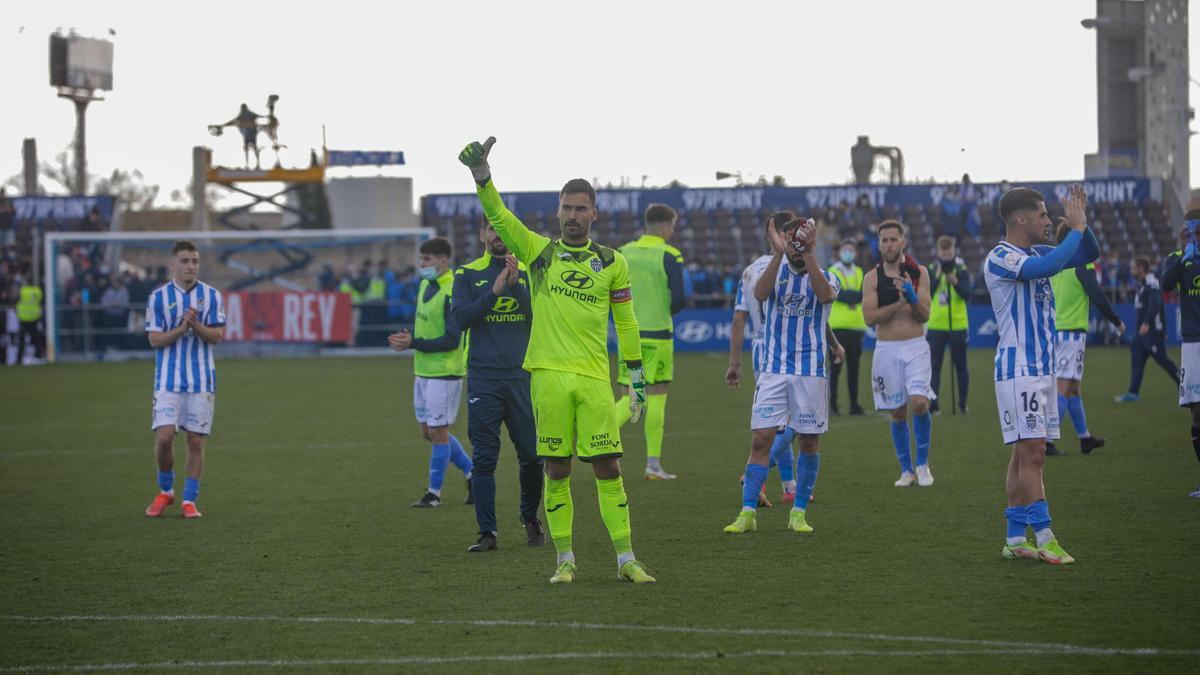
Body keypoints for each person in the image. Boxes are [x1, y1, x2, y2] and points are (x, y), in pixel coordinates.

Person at [459, 136, 655, 584]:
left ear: (594, 214)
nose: (572, 216)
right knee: (557, 467)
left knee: (609, 466)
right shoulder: (539, 253)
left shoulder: (612, 262)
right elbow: (500, 219)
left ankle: (626, 559)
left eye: (580, 209)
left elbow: (626, 321)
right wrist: (482, 177)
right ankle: (564, 558)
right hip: (547, 377)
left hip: (593, 379)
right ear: (558, 213)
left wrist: (635, 375)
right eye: (566, 208)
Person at [985, 185, 1099, 564]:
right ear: (1021, 219)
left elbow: (1089, 253)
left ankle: (1016, 537)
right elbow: (1046, 269)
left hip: (1041, 370)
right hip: (1020, 370)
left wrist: (1083, 223)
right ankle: (1046, 536)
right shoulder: (1001, 257)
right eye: (1043, 215)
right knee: (1033, 453)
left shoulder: (1037, 252)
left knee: (1025, 454)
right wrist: (1077, 229)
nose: (1050, 222)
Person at [723, 214, 838, 536]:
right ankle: (747, 512)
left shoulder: (826, 276)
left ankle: (798, 512)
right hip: (773, 369)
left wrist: (809, 253)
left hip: (810, 371)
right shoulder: (774, 275)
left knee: (809, 440)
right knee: (761, 438)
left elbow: (826, 296)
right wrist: (779, 254)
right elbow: (759, 294)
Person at [451, 221, 544, 552]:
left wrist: (516, 286)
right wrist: (495, 291)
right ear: (482, 235)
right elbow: (461, 319)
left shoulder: (532, 272)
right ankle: (487, 533)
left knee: (533, 457)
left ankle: (530, 519)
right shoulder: (467, 274)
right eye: (491, 230)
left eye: (503, 231)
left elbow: (542, 316)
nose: (498, 236)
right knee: (485, 459)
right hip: (484, 379)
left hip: (523, 377)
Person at [388, 238, 474, 508]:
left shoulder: (453, 291)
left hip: (444, 372)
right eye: (421, 259)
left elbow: (451, 339)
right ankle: (474, 473)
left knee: (438, 431)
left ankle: (434, 494)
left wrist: (413, 344)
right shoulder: (426, 284)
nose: (421, 264)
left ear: (443, 261)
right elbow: (429, 327)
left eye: (426, 260)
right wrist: (410, 337)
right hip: (423, 370)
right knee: (429, 432)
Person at [143, 240, 226, 519]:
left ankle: (189, 500)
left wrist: (196, 325)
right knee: (165, 438)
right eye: (185, 261)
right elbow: (154, 340)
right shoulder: (158, 298)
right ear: (173, 264)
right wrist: (180, 328)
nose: (191, 266)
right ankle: (166, 491)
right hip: (167, 380)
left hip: (201, 381)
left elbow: (216, 336)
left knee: (195, 442)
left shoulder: (212, 296)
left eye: (194, 261)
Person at [614, 203, 687, 480]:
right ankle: (653, 465)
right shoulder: (670, 254)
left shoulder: (623, 252)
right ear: (668, 225)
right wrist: (659, 311)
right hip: (658, 336)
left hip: (629, 335)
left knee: (632, 397)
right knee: (655, 397)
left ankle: (593, 439)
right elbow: (679, 298)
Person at [862, 221, 935, 487]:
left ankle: (923, 464)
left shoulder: (920, 273)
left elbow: (925, 314)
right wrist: (899, 302)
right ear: (879, 244)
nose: (889, 244)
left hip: (916, 345)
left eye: (894, 239)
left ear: (903, 242)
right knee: (897, 411)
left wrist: (912, 298)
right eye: (884, 240)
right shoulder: (872, 278)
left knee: (919, 403)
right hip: (887, 349)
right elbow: (869, 318)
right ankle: (907, 470)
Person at [1045, 222, 1124, 455]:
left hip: (1060, 330)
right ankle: (1047, 441)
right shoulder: (1081, 263)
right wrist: (1116, 320)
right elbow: (1097, 295)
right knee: (1063, 388)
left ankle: (1084, 438)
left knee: (1074, 389)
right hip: (1071, 333)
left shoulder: (1056, 265)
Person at [1159, 211, 1200, 497]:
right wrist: (1185, 251)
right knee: (1197, 413)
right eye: (1188, 230)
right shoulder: (1177, 258)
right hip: (1193, 344)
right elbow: (1165, 284)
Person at [1114, 257, 1180, 402]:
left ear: (1141, 269)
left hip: (1153, 332)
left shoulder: (1152, 283)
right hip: (1142, 334)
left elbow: (1155, 304)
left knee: (1163, 361)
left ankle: (1183, 384)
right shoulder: (1141, 284)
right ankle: (1133, 393)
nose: (1132, 270)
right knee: (1136, 359)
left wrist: (1146, 323)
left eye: (1134, 267)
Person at [926, 236, 973, 415]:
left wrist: (955, 281)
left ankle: (962, 403)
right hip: (936, 325)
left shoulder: (961, 269)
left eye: (949, 252)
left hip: (958, 325)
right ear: (938, 252)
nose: (946, 256)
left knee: (961, 365)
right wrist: (937, 278)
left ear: (954, 251)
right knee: (934, 366)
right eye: (943, 253)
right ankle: (933, 404)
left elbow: (967, 294)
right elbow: (926, 293)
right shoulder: (931, 269)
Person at [827, 239, 867, 416]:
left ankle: (854, 405)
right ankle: (832, 404)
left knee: (854, 368)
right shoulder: (832, 271)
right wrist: (853, 297)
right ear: (839, 252)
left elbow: (863, 294)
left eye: (851, 250)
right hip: (837, 327)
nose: (848, 253)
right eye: (845, 250)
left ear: (855, 253)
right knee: (835, 368)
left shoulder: (860, 272)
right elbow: (838, 294)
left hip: (856, 327)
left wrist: (850, 296)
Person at [15, 277, 45, 365]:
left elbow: (17, 299)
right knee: (36, 339)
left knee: (22, 339)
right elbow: (40, 301)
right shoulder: (38, 291)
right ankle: (38, 357)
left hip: (23, 318)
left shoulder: (22, 290)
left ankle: (19, 359)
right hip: (35, 317)